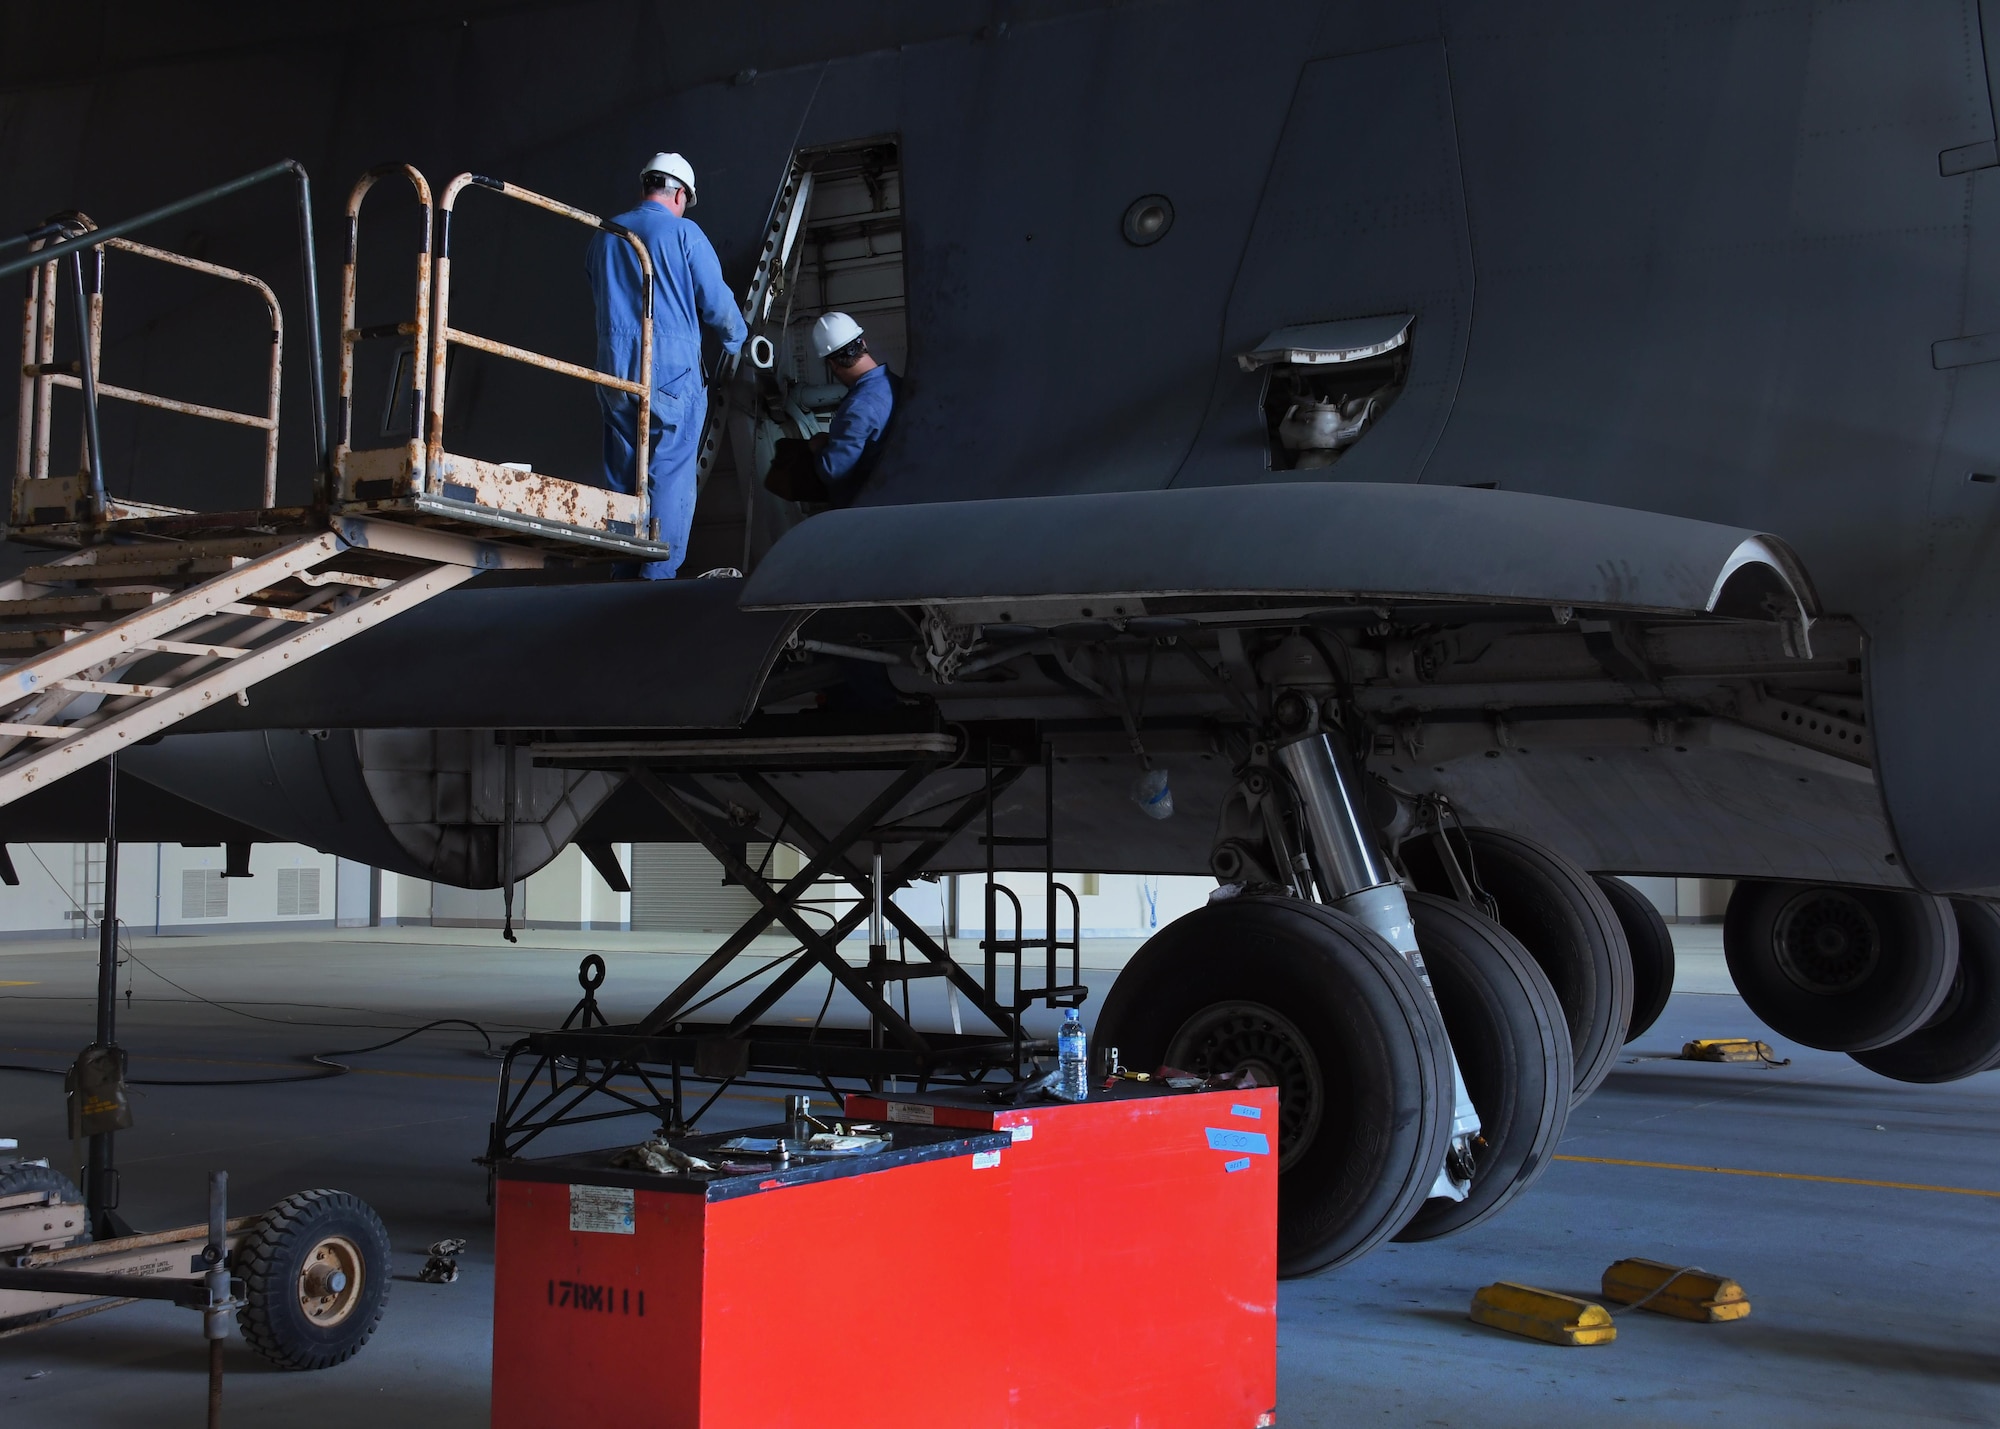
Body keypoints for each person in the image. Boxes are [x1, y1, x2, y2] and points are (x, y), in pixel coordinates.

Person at [586, 151, 745, 578]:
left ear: (646, 186)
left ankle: (622, 574)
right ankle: (657, 579)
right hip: (670, 375)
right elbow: (718, 305)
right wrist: (738, 339)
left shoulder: (605, 235)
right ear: (679, 194)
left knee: (623, 473)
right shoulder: (684, 233)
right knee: (670, 474)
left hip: (612, 371)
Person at [765, 311, 899, 506]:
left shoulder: (858, 408)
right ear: (863, 343)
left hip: (866, 506)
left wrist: (818, 446)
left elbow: (832, 470)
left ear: (832, 364)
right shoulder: (895, 384)